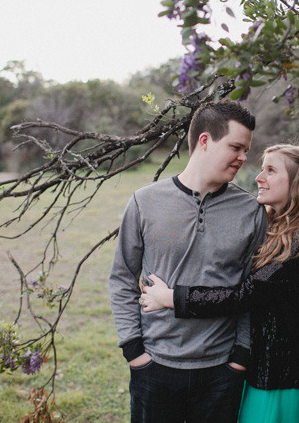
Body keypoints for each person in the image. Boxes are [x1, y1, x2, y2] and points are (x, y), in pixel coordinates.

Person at [141, 144, 299, 423]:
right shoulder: (277, 229)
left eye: (271, 170)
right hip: (259, 370)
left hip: (286, 376)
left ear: (297, 183)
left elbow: (242, 295)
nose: (258, 177)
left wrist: (170, 297)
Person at [109, 100, 269, 423]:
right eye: (236, 147)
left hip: (221, 371)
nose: (244, 158)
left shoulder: (251, 212)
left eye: (246, 149)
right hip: (154, 367)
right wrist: (134, 352)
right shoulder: (144, 202)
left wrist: (240, 357)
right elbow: (122, 278)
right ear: (205, 141)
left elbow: (253, 290)